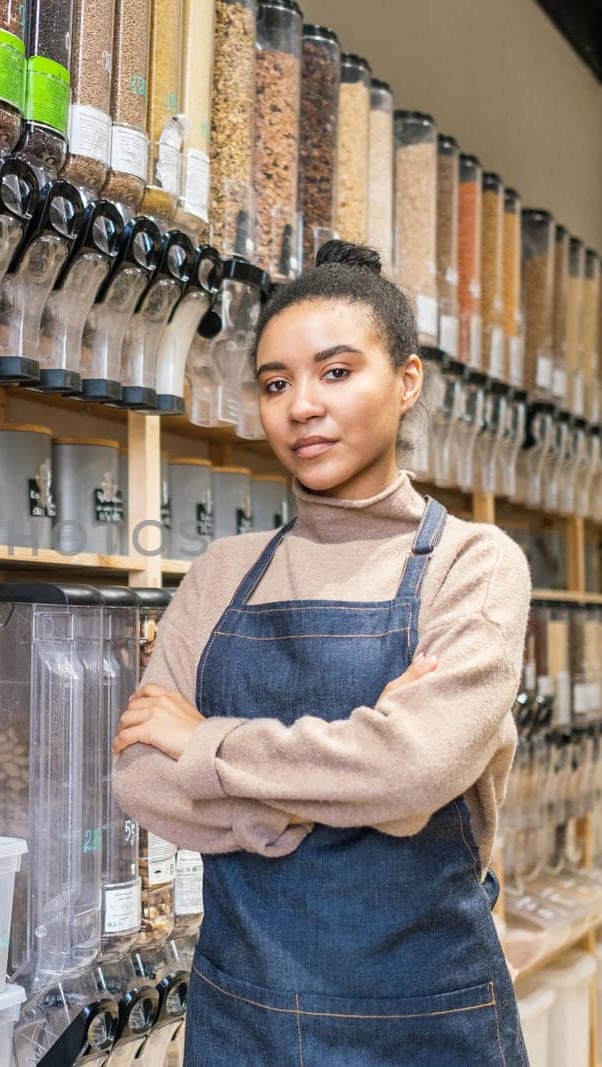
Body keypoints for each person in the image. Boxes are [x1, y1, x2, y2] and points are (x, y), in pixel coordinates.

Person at [113, 240, 531, 1065]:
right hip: (240, 1016)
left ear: (407, 380)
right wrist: (361, 789)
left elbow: (410, 770)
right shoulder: (221, 573)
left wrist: (204, 742)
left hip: (427, 1018)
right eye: (276, 383)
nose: (302, 405)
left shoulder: (473, 564)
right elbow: (140, 779)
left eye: (336, 372)